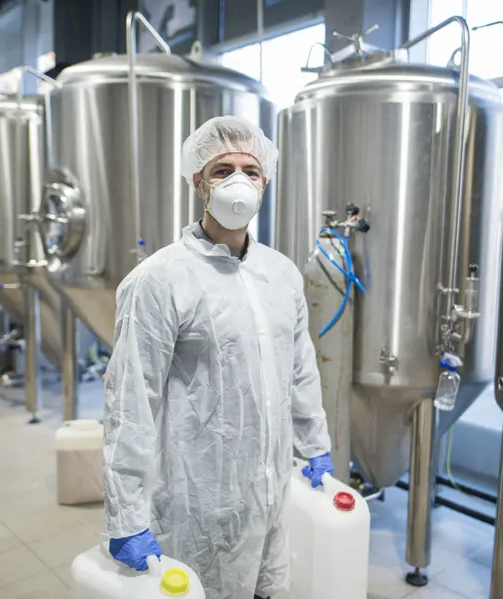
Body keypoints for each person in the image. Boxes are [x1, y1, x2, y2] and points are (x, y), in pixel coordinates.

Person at [102, 116, 335, 599]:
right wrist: (125, 514)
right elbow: (131, 401)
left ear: (265, 182)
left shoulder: (282, 273)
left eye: (250, 170)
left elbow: (300, 369)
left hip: (271, 493)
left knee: (268, 589)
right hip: (198, 501)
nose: (238, 181)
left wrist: (314, 444)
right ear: (198, 184)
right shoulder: (160, 280)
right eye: (221, 169)